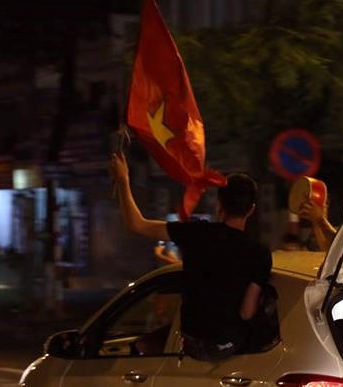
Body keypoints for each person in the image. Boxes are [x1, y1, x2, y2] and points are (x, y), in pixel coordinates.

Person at [109, 152, 271, 360]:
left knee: (143, 344)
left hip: (191, 344)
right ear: (251, 210)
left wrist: (123, 180)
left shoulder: (195, 233)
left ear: (218, 204)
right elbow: (246, 313)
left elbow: (137, 224)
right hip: (227, 347)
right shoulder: (260, 253)